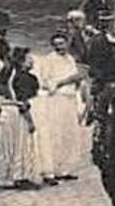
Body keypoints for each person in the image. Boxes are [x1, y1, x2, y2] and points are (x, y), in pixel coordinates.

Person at [31, 32, 90, 185]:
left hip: (70, 100)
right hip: (56, 100)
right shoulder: (48, 60)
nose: (59, 47)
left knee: (67, 134)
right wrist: (66, 80)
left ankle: (63, 169)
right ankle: (50, 170)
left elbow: (77, 78)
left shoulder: (70, 59)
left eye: (62, 43)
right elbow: (45, 82)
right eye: (56, 44)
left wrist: (78, 83)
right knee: (54, 135)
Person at [0, 46, 41, 190]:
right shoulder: (24, 78)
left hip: (8, 111)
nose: (32, 62)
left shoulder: (9, 74)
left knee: (9, 145)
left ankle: (8, 176)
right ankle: (19, 176)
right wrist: (30, 120)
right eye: (29, 59)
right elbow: (23, 102)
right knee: (20, 145)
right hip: (17, 113)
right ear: (22, 61)